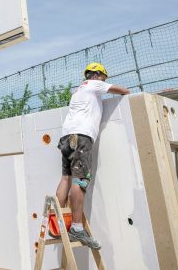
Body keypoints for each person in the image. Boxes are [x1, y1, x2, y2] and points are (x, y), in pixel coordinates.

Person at [54, 63, 130, 249]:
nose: (105, 81)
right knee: (80, 181)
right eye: (104, 77)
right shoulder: (93, 84)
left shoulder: (77, 91)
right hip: (81, 136)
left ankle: (57, 223)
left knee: (66, 178)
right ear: (96, 75)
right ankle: (77, 228)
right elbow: (123, 91)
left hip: (66, 137)